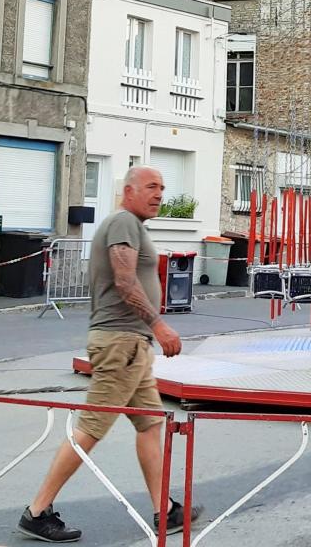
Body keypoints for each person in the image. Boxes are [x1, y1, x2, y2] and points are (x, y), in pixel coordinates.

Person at [17, 166, 202, 542]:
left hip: (131, 345)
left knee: (150, 423)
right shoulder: (123, 223)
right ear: (128, 191)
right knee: (92, 427)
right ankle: (37, 511)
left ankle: (164, 510)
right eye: (151, 187)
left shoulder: (132, 225)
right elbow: (124, 279)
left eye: (162, 187)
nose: (159, 194)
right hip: (121, 344)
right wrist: (159, 325)